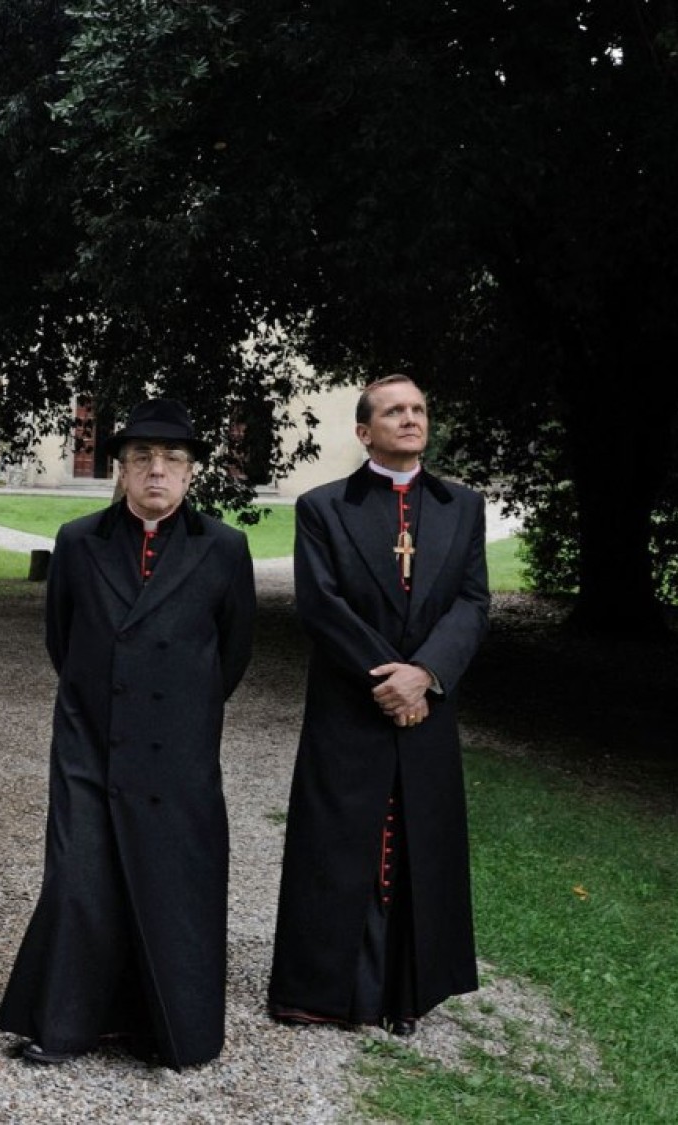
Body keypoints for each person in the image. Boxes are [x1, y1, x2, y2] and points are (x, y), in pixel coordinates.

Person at [0, 398, 257, 1070]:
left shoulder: (224, 548)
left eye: (172, 459)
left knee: (172, 885)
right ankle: (66, 1023)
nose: (156, 471)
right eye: (142, 458)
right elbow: (63, 639)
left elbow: (231, 653)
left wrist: (181, 715)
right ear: (121, 469)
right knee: (80, 878)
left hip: (179, 751)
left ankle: (165, 1029)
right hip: (90, 739)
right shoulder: (79, 540)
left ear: (191, 471)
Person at [268, 374, 489, 1037]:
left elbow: (472, 601)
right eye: (394, 411)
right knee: (336, 844)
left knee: (421, 840)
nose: (411, 418)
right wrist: (389, 680)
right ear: (365, 431)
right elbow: (320, 605)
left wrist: (426, 673)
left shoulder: (462, 506)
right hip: (349, 701)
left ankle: (405, 993)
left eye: (419, 409)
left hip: (428, 702)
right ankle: (322, 992)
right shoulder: (324, 507)